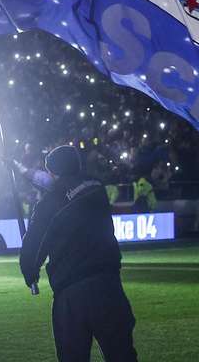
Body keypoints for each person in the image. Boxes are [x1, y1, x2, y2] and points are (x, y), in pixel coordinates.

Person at [20, 145, 137, 362]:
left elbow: (33, 244)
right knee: (122, 355)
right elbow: (64, 189)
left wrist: (30, 272)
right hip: (110, 286)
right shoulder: (96, 187)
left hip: (72, 293)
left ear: (53, 171)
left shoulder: (49, 203)